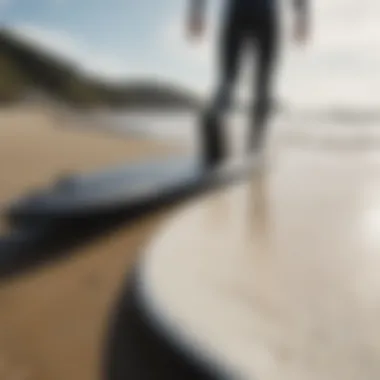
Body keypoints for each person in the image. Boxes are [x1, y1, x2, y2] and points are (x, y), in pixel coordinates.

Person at [187, 0, 310, 167]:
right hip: (265, 14)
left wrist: (196, 10)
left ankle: (214, 120)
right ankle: (254, 147)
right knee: (263, 85)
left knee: (228, 79)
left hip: (237, 12)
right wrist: (302, 16)